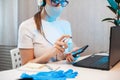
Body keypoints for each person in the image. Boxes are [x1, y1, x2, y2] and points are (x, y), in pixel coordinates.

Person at [18, 0, 79, 65]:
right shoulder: (27, 27)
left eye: (62, 2)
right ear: (41, 1)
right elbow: (25, 65)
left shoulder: (65, 24)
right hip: (39, 74)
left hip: (62, 72)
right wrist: (51, 53)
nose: (59, 6)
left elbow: (67, 52)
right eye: (55, 1)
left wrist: (69, 55)